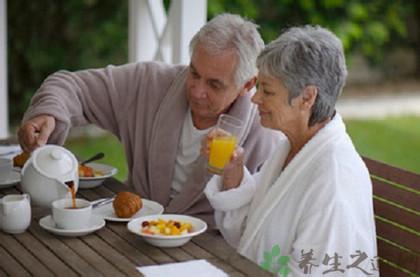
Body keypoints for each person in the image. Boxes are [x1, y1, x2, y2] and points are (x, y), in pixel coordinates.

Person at [17, 14, 282, 227]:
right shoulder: (149, 83)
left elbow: (258, 227)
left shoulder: (266, 134)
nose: (197, 90)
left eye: (214, 84)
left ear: (247, 84)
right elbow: (70, 85)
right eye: (194, 73)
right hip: (130, 232)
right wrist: (47, 112)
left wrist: (233, 178)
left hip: (208, 254)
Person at [203, 25, 378, 276]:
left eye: (267, 90)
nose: (255, 98)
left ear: (307, 98)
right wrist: (233, 172)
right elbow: (251, 234)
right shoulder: (293, 147)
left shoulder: (334, 182)